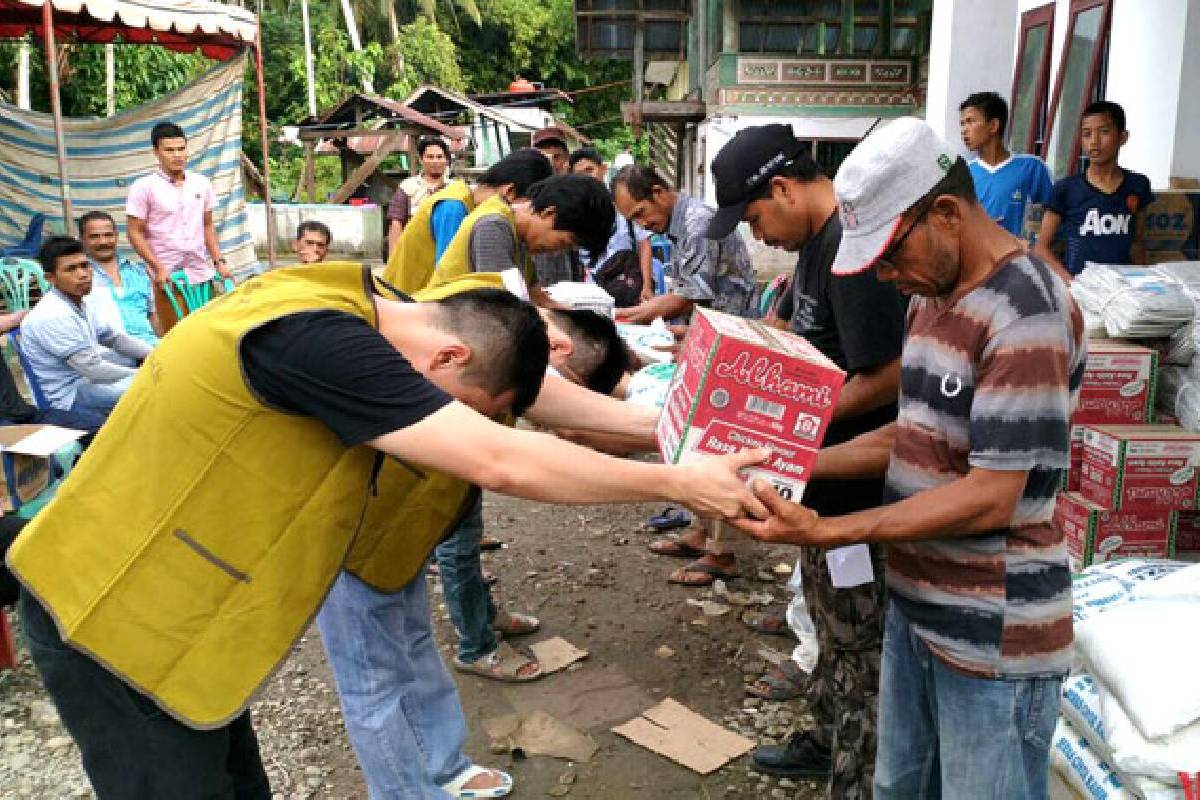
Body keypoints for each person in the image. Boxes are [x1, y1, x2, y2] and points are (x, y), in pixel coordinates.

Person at [7, 260, 769, 800]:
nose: (448, 422)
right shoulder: (325, 342)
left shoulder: (378, 308)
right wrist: (675, 481)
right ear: (447, 357)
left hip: (180, 627)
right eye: (463, 402)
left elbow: (536, 405)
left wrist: (677, 433)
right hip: (110, 622)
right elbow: (499, 457)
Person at [734, 117, 1082, 799]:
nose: (888, 279)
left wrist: (829, 530)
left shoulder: (1026, 313)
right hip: (916, 610)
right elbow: (912, 438)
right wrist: (791, 464)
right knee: (898, 788)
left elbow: (990, 496)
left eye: (890, 258)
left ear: (946, 214)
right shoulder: (930, 299)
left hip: (992, 638)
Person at [704, 124, 904, 798]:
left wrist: (801, 426)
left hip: (861, 488)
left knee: (860, 642)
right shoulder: (815, 248)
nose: (756, 236)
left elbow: (891, 374)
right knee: (829, 624)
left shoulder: (850, 247)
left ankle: (860, 775)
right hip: (819, 481)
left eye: (755, 217)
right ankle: (828, 736)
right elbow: (801, 336)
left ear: (783, 188)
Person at [426, 173, 613, 308]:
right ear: (549, 213)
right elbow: (505, 310)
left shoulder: (520, 239)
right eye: (563, 243)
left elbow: (537, 296)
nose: (556, 252)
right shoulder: (493, 227)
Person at [384, 149, 552, 294]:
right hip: (407, 304)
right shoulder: (453, 207)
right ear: (509, 192)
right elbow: (451, 280)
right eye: (529, 208)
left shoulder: (474, 206)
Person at [20, 236, 153, 418]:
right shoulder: (54, 315)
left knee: (151, 374)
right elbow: (93, 369)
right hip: (67, 396)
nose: (83, 274)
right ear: (50, 278)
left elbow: (114, 338)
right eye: (71, 269)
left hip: (86, 380)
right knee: (150, 387)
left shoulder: (80, 302)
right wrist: (144, 374)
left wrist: (156, 353)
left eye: (85, 265)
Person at [611, 164, 759, 324]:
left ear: (658, 193)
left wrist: (627, 315)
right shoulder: (675, 225)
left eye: (640, 213)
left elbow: (687, 299)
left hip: (735, 331)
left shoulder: (697, 223)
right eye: (634, 220)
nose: (641, 224)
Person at [1034, 100, 1153, 277]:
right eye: (1087, 134)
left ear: (1122, 137)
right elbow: (1041, 248)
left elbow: (1137, 242)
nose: (1094, 142)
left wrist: (1142, 284)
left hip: (1121, 288)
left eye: (1104, 132)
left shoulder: (1138, 184)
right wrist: (1070, 283)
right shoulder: (1066, 188)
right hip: (1080, 289)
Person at [126, 121, 230, 285]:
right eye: (169, 150)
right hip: (165, 277)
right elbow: (134, 233)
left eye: (181, 149)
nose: (177, 155)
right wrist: (157, 267)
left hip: (200, 273)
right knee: (171, 311)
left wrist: (219, 262)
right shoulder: (143, 187)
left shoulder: (202, 183)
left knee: (207, 310)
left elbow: (207, 225)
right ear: (156, 152)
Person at [960, 91, 1053, 240]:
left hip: (1020, 260)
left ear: (993, 125)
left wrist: (1029, 241)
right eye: (962, 124)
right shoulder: (964, 173)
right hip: (978, 260)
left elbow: (1047, 214)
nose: (964, 130)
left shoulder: (1032, 167)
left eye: (971, 121)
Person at [571, 147, 656, 303]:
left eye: (589, 170)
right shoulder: (574, 215)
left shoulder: (623, 205)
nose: (586, 177)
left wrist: (647, 286)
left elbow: (644, 245)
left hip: (631, 287)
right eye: (579, 174)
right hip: (594, 292)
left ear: (603, 169)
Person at [79, 211, 160, 345]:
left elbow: (152, 316)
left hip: (149, 348)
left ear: (116, 236)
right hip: (108, 353)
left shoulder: (137, 272)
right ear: (82, 239)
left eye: (108, 235)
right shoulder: (77, 277)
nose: (103, 242)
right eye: (94, 236)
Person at [387, 136, 452, 256]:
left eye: (439, 157)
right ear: (421, 160)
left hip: (446, 253)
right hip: (415, 253)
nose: (435, 161)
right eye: (430, 157)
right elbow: (396, 223)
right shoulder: (408, 187)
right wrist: (393, 260)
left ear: (446, 160)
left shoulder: (455, 189)